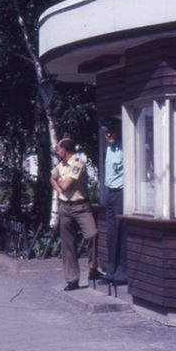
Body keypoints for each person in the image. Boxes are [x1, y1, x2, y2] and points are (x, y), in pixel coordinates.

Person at [50, 138, 98, 291]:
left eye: (58, 149)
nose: (57, 152)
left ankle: (93, 268)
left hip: (81, 206)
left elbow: (65, 184)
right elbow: (52, 178)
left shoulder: (78, 163)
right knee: (68, 244)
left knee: (92, 234)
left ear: (65, 150)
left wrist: (61, 183)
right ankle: (72, 279)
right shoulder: (61, 165)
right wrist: (59, 190)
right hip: (65, 207)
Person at [100, 121, 127, 286]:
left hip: (121, 193)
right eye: (106, 133)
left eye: (111, 132)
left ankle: (121, 274)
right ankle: (110, 273)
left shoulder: (125, 149)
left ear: (118, 132)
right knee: (110, 234)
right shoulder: (109, 149)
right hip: (109, 193)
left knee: (121, 232)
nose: (108, 135)